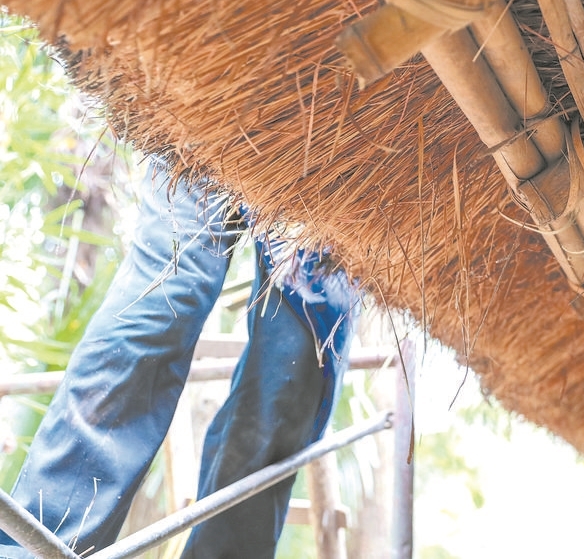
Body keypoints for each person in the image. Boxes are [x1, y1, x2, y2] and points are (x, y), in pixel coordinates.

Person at [0, 158, 356, 559]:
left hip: (341, 171)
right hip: (214, 121)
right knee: (165, 301)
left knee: (290, 377)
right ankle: (38, 550)